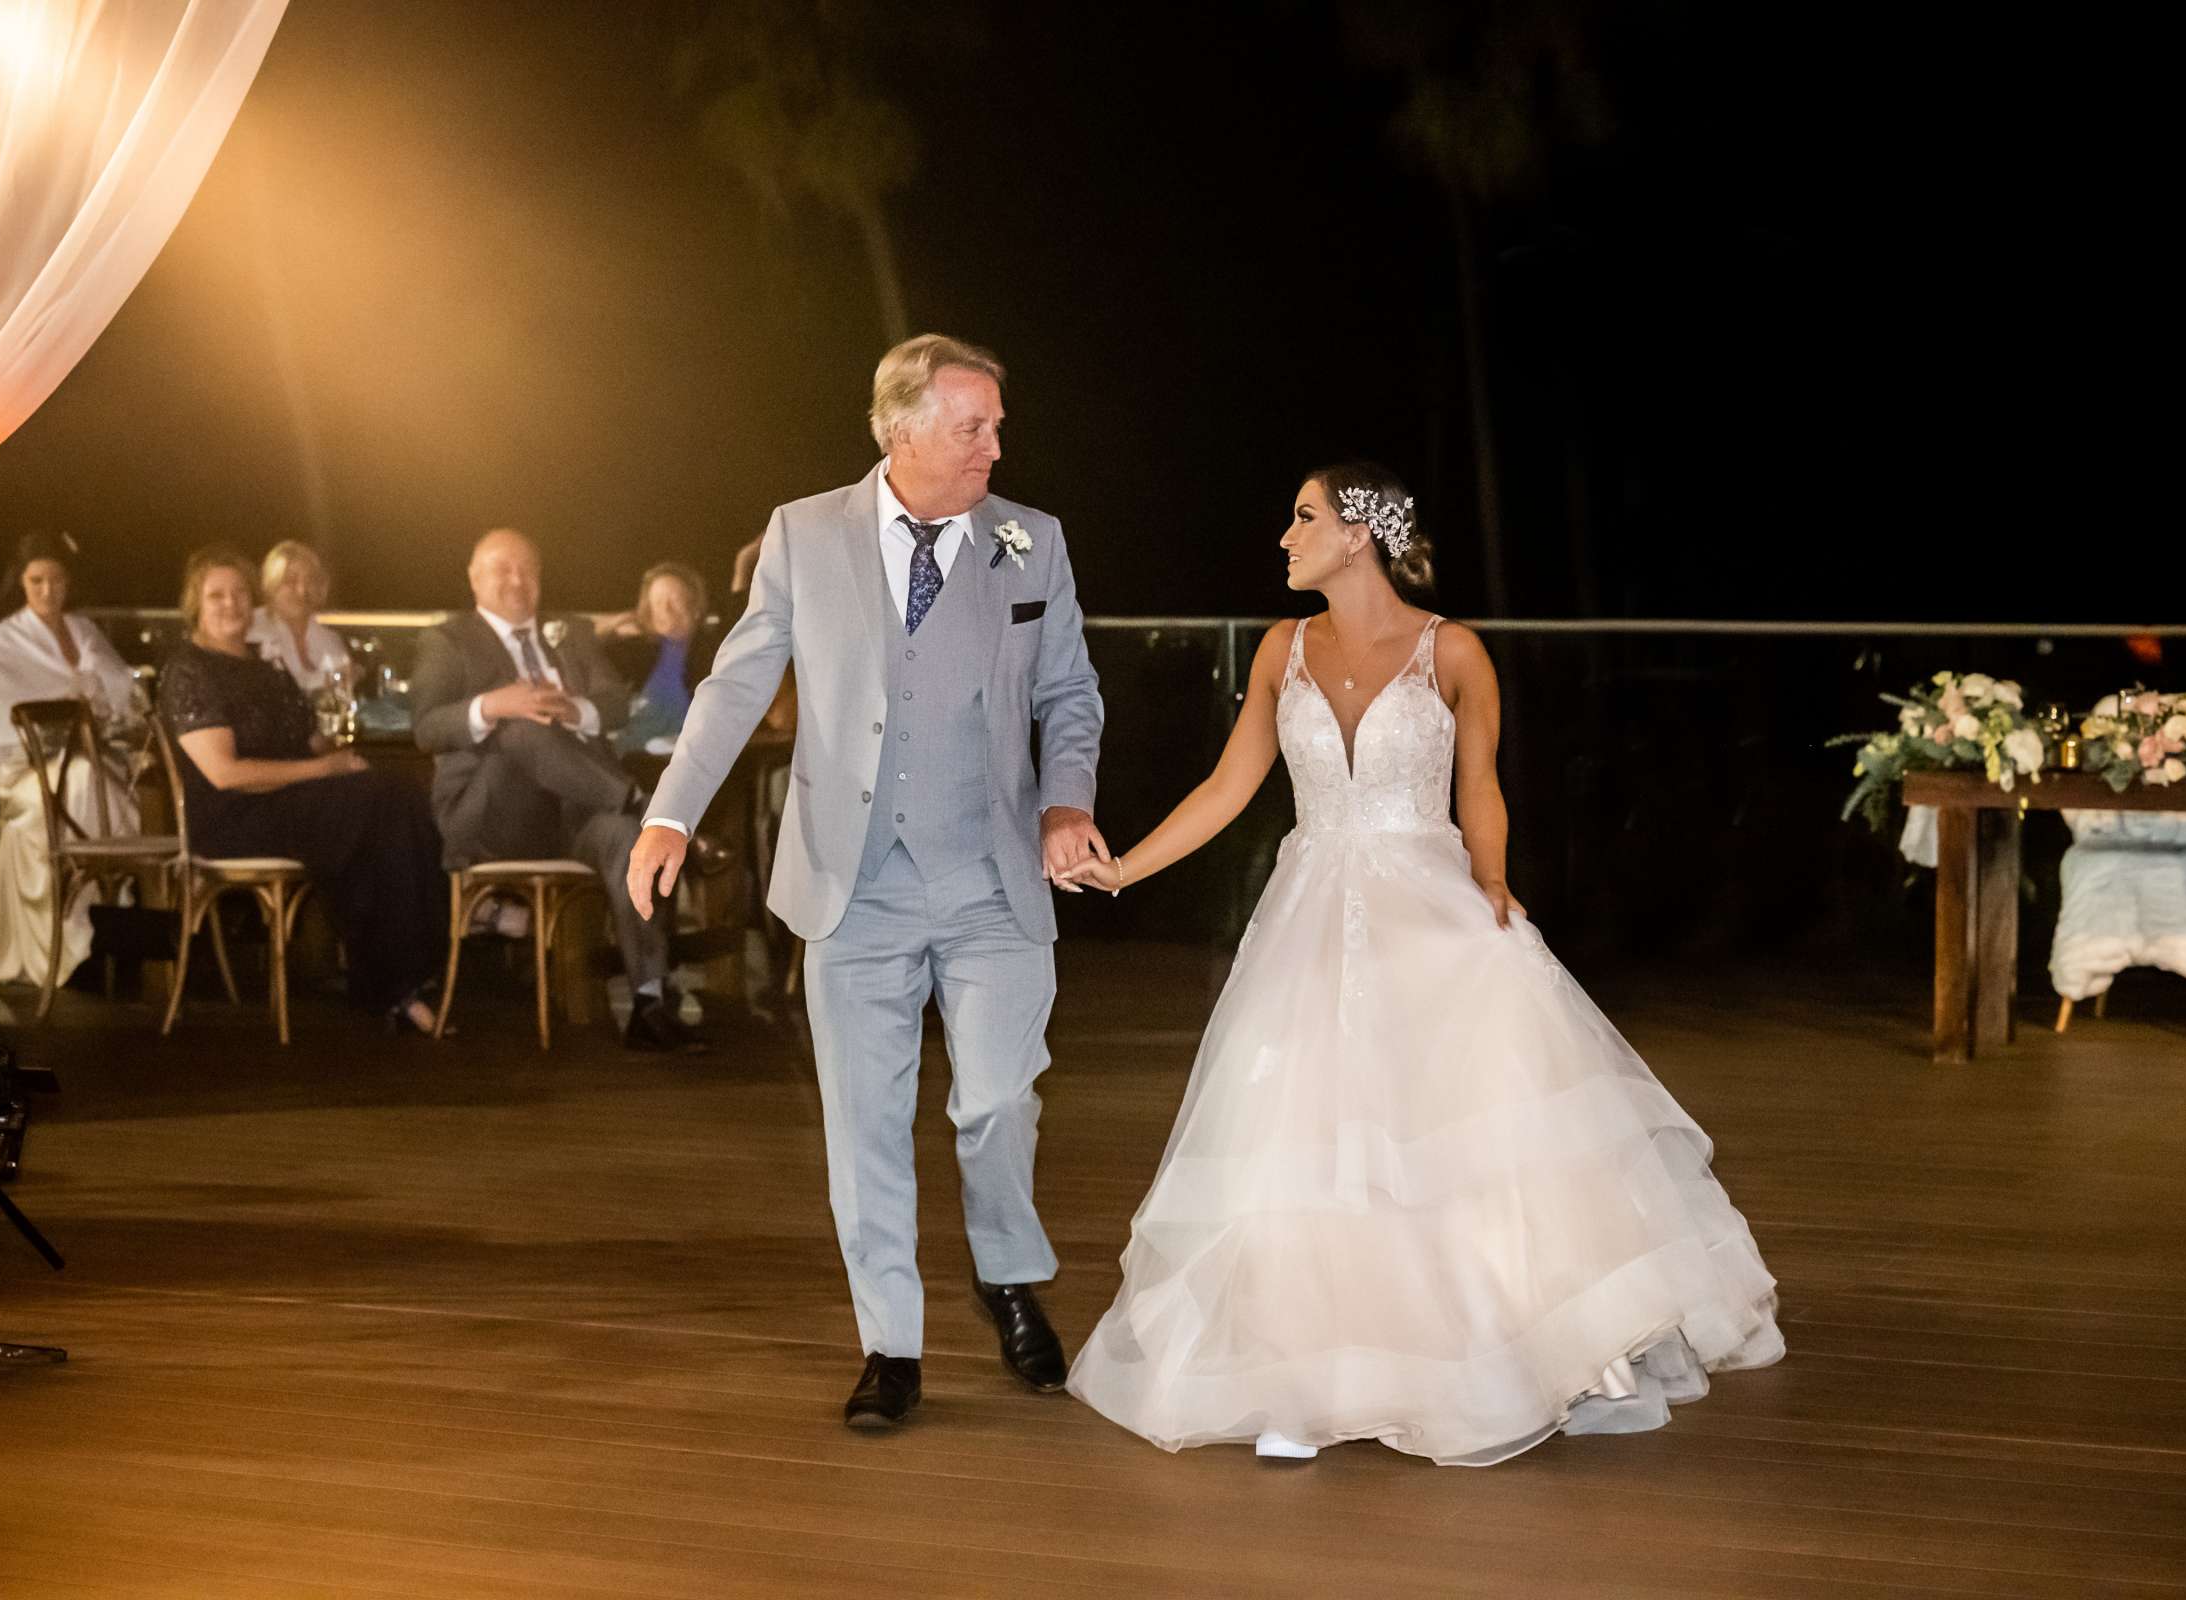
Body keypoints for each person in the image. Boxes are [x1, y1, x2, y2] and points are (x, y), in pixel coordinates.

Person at [1058, 464, 1784, 1466]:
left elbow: (1480, 786)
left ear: (1358, 535)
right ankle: (1304, 1377)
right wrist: (1125, 867)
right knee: (1304, 1131)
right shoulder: (1283, 649)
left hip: (1426, 905)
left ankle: (1504, 1351)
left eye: (1303, 517)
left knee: (1453, 1131)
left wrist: (1492, 883)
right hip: (1310, 912)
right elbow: (1231, 784)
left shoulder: (1455, 650)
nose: (1283, 535)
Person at [627, 334, 1107, 1429]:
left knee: (997, 1099)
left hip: (993, 880)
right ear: (900, 430)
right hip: (853, 885)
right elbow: (736, 684)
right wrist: (669, 813)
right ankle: (891, 1343)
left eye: (996, 421)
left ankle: (1006, 1273)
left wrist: (1064, 801)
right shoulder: (804, 534)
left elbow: (1069, 693)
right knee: (867, 1122)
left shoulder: (1034, 542)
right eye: (972, 424)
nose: (997, 442)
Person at [410, 529, 700, 1051]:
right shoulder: (447, 640)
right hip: (491, 813)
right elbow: (427, 727)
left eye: (528, 570)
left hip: (576, 812)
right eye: (503, 570)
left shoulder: (569, 634)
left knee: (632, 841)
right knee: (521, 727)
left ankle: (649, 1000)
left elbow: (612, 701)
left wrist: (577, 709)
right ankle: (641, 800)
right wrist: (495, 705)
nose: (517, 581)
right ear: (474, 578)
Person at [158, 546, 449, 1033]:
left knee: (395, 795)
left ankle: (402, 975)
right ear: (196, 605)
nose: (230, 604)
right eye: (216, 596)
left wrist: (338, 751)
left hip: (291, 803)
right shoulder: (190, 670)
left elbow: (306, 739)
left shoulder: (264, 668)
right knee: (377, 805)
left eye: (238, 594)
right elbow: (225, 774)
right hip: (235, 817)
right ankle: (400, 980)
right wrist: (325, 770)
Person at [0, 533, 142, 989]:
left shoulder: (85, 631)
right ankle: (77, 937)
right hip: (30, 771)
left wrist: (100, 706)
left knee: (117, 786)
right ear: (21, 583)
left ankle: (113, 927)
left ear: (68, 582)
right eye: (36, 580)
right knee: (81, 782)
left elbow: (124, 694)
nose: (47, 591)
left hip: (95, 760)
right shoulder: (5, 638)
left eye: (56, 579)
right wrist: (54, 727)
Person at [602, 561, 718, 751]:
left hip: (686, 752)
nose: (666, 609)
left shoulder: (714, 651)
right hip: (628, 750)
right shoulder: (633, 650)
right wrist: (612, 629)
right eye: (657, 603)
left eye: (675, 600)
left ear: (696, 607)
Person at [245, 540, 353, 694]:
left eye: (310, 580)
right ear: (271, 584)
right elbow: (278, 690)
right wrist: (330, 679)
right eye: (290, 581)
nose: (302, 591)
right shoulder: (252, 629)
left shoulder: (330, 638)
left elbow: (344, 694)